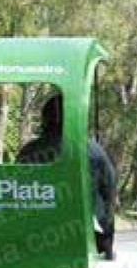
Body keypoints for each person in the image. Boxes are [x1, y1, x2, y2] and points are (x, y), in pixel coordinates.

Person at [17, 93, 118, 258]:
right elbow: (109, 192)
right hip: (86, 236)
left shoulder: (29, 152)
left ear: (45, 119)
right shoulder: (93, 150)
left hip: (35, 236)